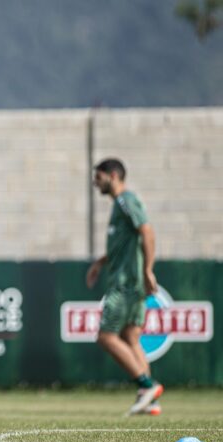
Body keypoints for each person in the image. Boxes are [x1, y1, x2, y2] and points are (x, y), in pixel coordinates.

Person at [86, 158, 163, 416]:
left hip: (125, 284)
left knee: (106, 336)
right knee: (130, 337)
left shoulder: (126, 201)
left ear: (114, 175)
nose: (96, 183)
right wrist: (100, 262)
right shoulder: (118, 206)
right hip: (129, 282)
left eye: (99, 177)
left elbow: (147, 231)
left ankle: (146, 385)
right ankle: (149, 401)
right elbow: (124, 244)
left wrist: (148, 269)